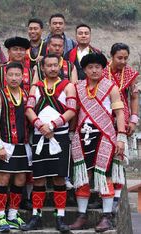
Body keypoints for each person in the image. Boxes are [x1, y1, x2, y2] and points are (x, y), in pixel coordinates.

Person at [69, 53, 127, 232]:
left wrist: (121, 136)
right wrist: (71, 133)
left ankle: (106, 216)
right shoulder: (77, 87)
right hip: (82, 137)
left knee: (105, 176)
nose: (94, 70)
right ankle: (81, 215)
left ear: (103, 69)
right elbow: (74, 112)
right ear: (84, 70)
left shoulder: (111, 87)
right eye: (90, 67)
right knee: (83, 178)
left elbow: (119, 113)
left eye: (98, 67)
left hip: (105, 137)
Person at [22, 54, 77, 232]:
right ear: (43, 68)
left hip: (59, 136)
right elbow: (29, 109)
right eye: (49, 66)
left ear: (60, 66)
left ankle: (59, 217)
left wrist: (53, 125)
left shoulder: (68, 86)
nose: (53, 68)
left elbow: (71, 110)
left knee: (59, 177)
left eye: (55, 65)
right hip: (39, 136)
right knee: (38, 178)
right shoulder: (35, 87)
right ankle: (36, 217)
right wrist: (39, 125)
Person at [0, 62, 32, 232]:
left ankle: (13, 215)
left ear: (22, 77)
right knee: (3, 179)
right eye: (11, 75)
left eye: (17, 75)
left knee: (21, 179)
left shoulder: (27, 94)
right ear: (5, 77)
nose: (14, 78)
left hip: (23, 144)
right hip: (6, 144)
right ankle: (1, 216)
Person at [103, 43, 140, 211]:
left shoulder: (130, 74)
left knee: (118, 158)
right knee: (104, 159)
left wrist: (133, 120)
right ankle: (104, 195)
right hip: (102, 119)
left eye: (126, 58)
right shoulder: (101, 72)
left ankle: (116, 197)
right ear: (111, 56)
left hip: (122, 121)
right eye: (119, 58)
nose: (123, 61)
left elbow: (133, 98)